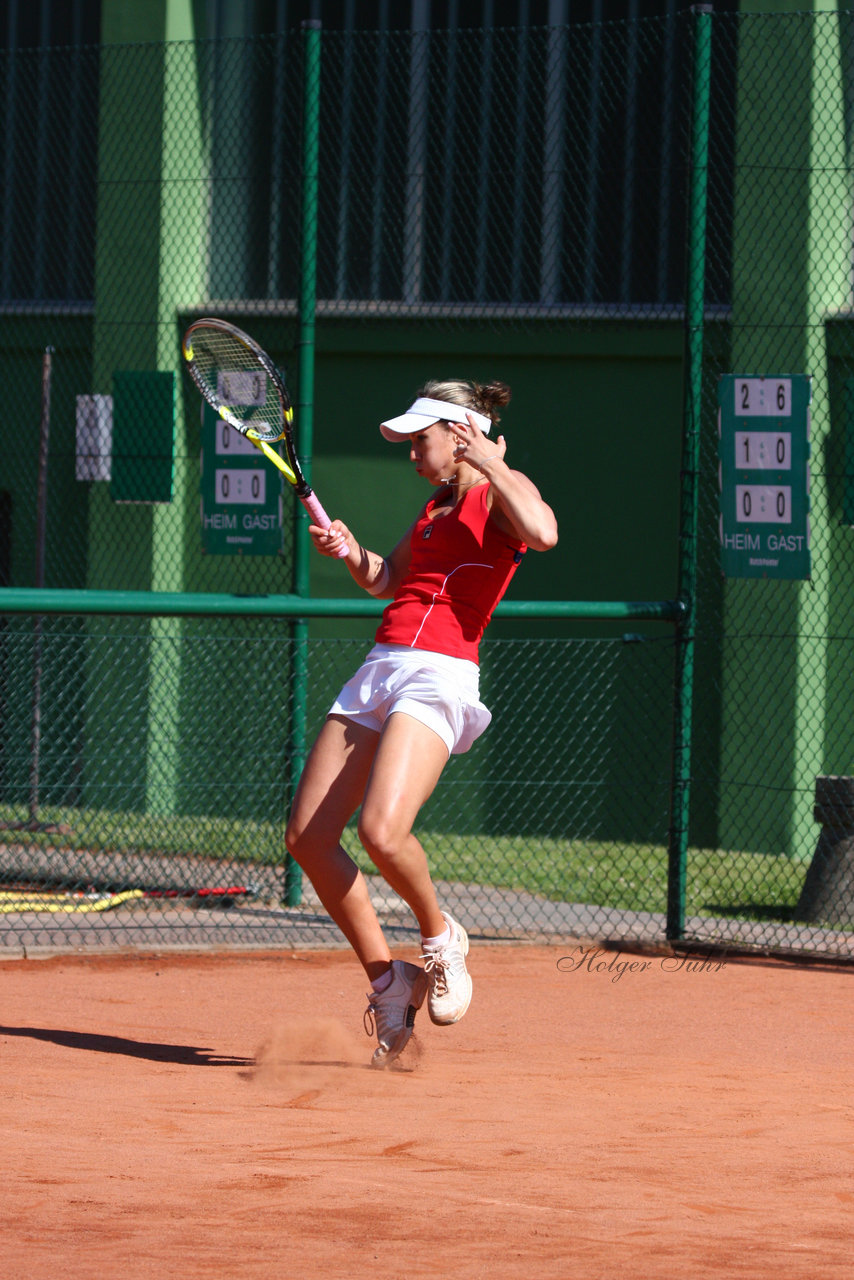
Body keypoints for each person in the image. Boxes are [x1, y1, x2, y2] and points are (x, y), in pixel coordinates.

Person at [285, 379, 558, 1067]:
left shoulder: (496, 489)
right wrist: (349, 551)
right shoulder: (433, 507)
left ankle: (442, 940)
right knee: (309, 838)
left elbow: (545, 533)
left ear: (459, 433)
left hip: (439, 673)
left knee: (381, 831)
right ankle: (390, 982)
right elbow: (388, 581)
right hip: (382, 664)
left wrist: (490, 459)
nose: (412, 453)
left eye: (420, 439)